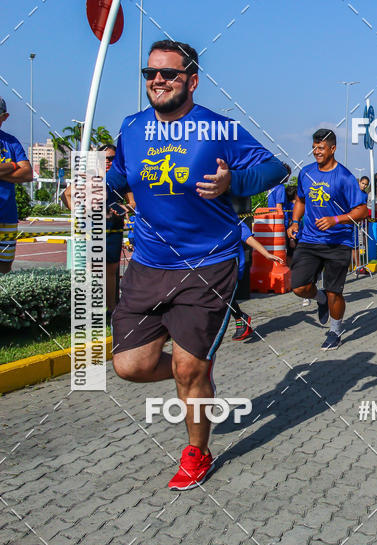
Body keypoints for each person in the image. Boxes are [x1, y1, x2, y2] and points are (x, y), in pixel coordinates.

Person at [107, 40, 287, 491]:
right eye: (150, 73)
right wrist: (91, 190)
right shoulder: (131, 128)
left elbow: (275, 168)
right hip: (149, 264)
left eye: (168, 73)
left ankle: (197, 451)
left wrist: (234, 180)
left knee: (188, 370)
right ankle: (196, 372)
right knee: (129, 365)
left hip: (208, 264)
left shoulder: (218, 129)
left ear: (192, 81)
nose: (158, 80)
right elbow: (118, 178)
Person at [287, 129, 368, 350]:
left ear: (333, 149)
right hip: (309, 240)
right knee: (299, 287)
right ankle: (320, 298)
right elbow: (300, 200)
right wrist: (295, 222)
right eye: (314, 147)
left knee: (335, 292)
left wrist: (336, 220)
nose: (316, 152)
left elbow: (362, 210)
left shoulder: (344, 177)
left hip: (338, 242)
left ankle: (335, 331)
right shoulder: (306, 173)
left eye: (321, 148)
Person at [62, 144, 136, 316]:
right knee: (91, 268)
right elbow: (66, 195)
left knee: (111, 270)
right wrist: (80, 212)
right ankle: (91, 309)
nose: (109, 162)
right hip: (91, 229)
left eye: (113, 159)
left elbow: (133, 203)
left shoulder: (122, 178)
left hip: (113, 229)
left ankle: (112, 309)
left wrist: (124, 208)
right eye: (105, 158)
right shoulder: (89, 176)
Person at [231, 221, 283, 340]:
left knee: (222, 296)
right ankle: (239, 317)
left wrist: (266, 254)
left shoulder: (229, 217)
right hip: (203, 264)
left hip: (230, 263)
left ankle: (239, 317)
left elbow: (246, 236)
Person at [0, 97, 34, 273]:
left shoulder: (11, 142)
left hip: (7, 216)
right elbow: (21, 169)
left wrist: (9, 168)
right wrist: (13, 166)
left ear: (4, 116)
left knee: (5, 265)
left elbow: (27, 173)